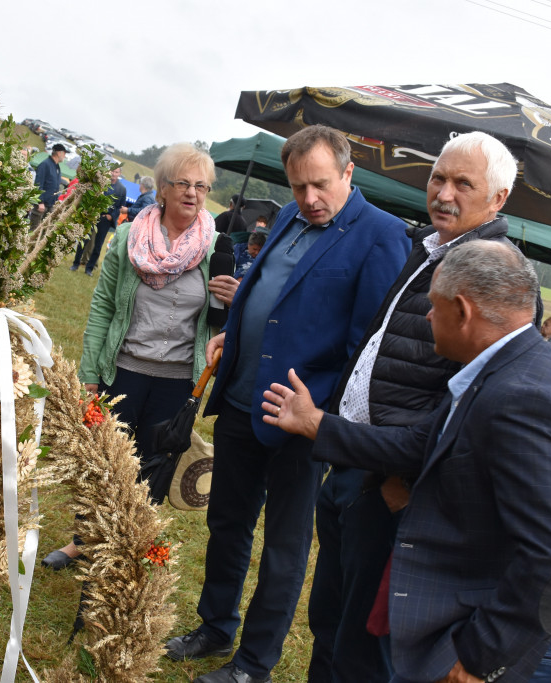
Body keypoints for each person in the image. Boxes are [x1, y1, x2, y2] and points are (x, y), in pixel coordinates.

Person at [263, 241, 551, 683]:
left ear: (462, 312)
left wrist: (481, 657)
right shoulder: (503, 369)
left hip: (519, 648)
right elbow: (419, 443)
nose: (427, 317)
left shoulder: (523, 398)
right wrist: (317, 425)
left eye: (434, 306)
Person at [164, 125, 410, 683]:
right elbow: (270, 293)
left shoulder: (381, 235)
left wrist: (318, 414)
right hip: (241, 400)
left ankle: (254, 663)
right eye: (298, 187)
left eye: (320, 185)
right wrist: (238, 336)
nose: (309, 199)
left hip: (301, 422)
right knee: (227, 523)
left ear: (349, 173)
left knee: (283, 547)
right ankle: (215, 625)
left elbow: (365, 347)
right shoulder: (289, 218)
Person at [306, 131, 543, 683]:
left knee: (361, 643)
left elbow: (470, 405)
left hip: (393, 485)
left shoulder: (490, 275)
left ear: (498, 200)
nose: (444, 193)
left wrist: (396, 480)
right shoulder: (430, 247)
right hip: (354, 461)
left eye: (465, 183)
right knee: (330, 618)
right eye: (439, 177)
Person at [41, 143, 239, 569]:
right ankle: (84, 541)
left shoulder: (217, 247)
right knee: (105, 459)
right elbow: (103, 307)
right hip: (124, 370)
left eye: (201, 186)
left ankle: (128, 543)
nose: (192, 193)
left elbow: (222, 323)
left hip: (178, 380)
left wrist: (235, 301)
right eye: (183, 183)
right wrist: (91, 372)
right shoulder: (131, 237)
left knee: (154, 464)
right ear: (163, 188)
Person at [71, 166, 126, 275]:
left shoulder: (122, 189)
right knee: (84, 240)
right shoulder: (102, 183)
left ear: (119, 174)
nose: (114, 173)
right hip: (93, 215)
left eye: (116, 172)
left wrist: (112, 216)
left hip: (106, 219)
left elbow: (120, 206)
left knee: (98, 245)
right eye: (112, 171)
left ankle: (89, 268)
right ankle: (75, 263)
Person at [30, 143, 66, 228]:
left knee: (43, 231)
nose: (64, 156)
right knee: (34, 229)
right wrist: (40, 201)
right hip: (41, 205)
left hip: (50, 205)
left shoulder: (57, 167)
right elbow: (38, 183)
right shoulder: (45, 164)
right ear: (59, 153)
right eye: (64, 153)